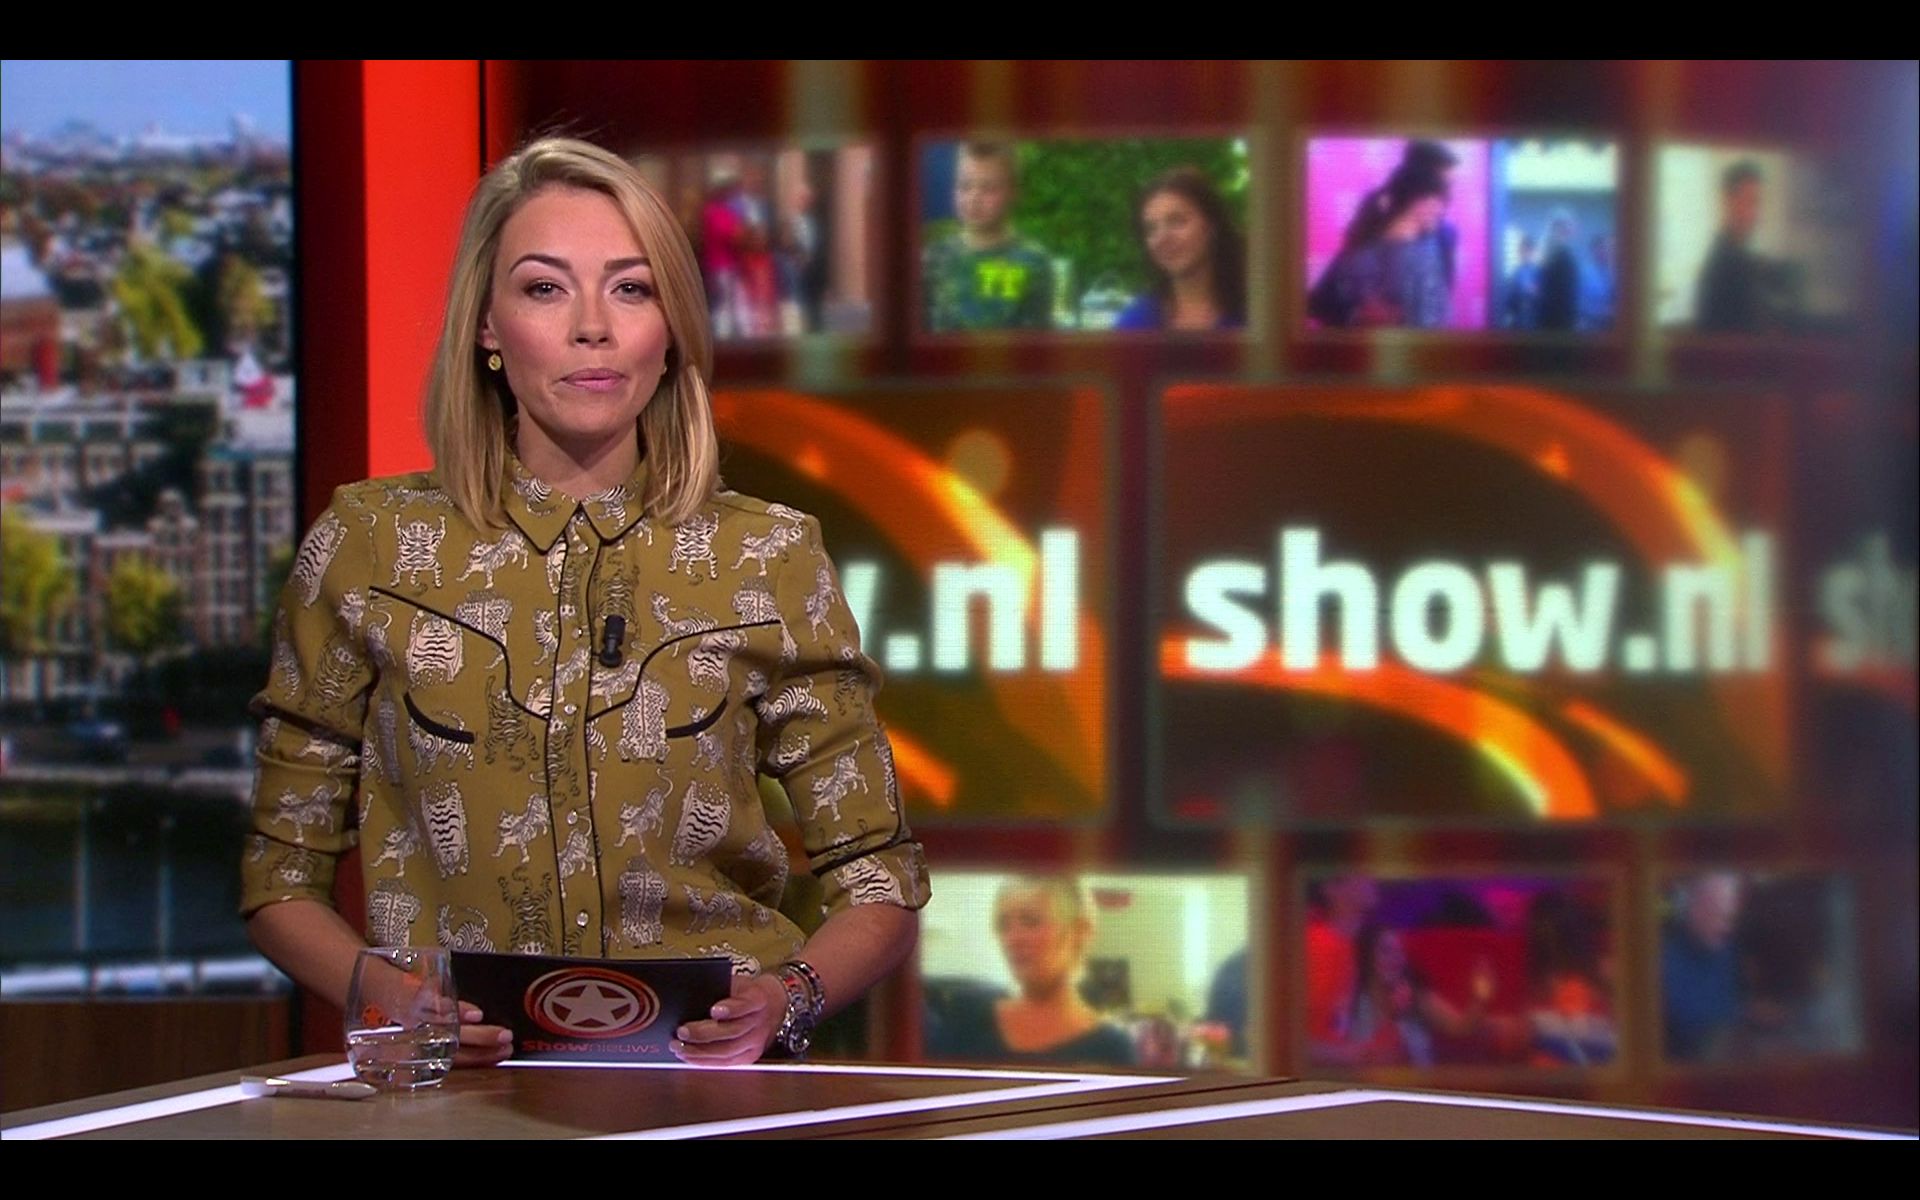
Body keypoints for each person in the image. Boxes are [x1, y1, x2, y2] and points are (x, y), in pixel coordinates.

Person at [240, 136, 929, 1070]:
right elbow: (280, 874)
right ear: (487, 327)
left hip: (708, 1094)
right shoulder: (369, 546)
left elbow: (880, 876)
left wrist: (785, 1000)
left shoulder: (768, 556)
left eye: (631, 289)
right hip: (460, 1095)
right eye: (545, 288)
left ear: (670, 328)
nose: (592, 328)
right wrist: (388, 999)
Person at [923, 876, 1135, 1066]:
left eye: (1031, 922)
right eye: (1003, 925)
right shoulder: (967, 1018)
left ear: (1079, 931)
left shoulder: (1112, 1049)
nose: (1013, 939)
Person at [1318, 922, 1496, 1068]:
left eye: (1398, 952)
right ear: (1367, 956)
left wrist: (1480, 998)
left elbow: (1461, 1027)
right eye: (1386, 951)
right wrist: (1391, 1013)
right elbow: (1360, 1054)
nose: (1395, 958)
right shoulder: (1352, 1002)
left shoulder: (1416, 997)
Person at [922, 143, 1055, 333]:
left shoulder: (1034, 261)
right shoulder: (932, 258)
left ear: (1013, 193)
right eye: (964, 186)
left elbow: (1037, 338)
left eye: (988, 188)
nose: (974, 198)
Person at [1307, 163, 1452, 329]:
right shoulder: (1424, 256)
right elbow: (1320, 304)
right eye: (1439, 201)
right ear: (1419, 201)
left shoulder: (1359, 249)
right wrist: (1360, 316)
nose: (1442, 210)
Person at [1113, 167, 1247, 332]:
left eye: (1177, 221)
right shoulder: (1136, 323)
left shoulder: (1259, 313)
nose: (1162, 239)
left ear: (1212, 226)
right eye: (1151, 229)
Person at [1694, 159, 1793, 333]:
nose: (1756, 214)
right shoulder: (1723, 266)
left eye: (1757, 203)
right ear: (1727, 201)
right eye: (1749, 201)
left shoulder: (1741, 258)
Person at [1661, 872, 1745, 1062]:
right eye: (1719, 916)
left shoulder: (1733, 951)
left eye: (1731, 918)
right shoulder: (1662, 962)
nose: (1727, 928)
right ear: (1695, 910)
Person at [1535, 210, 1582, 332]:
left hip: (1549, 317)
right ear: (1561, 227)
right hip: (1560, 319)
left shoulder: (1548, 251)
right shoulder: (1562, 254)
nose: (1575, 227)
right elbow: (1566, 292)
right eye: (1571, 224)